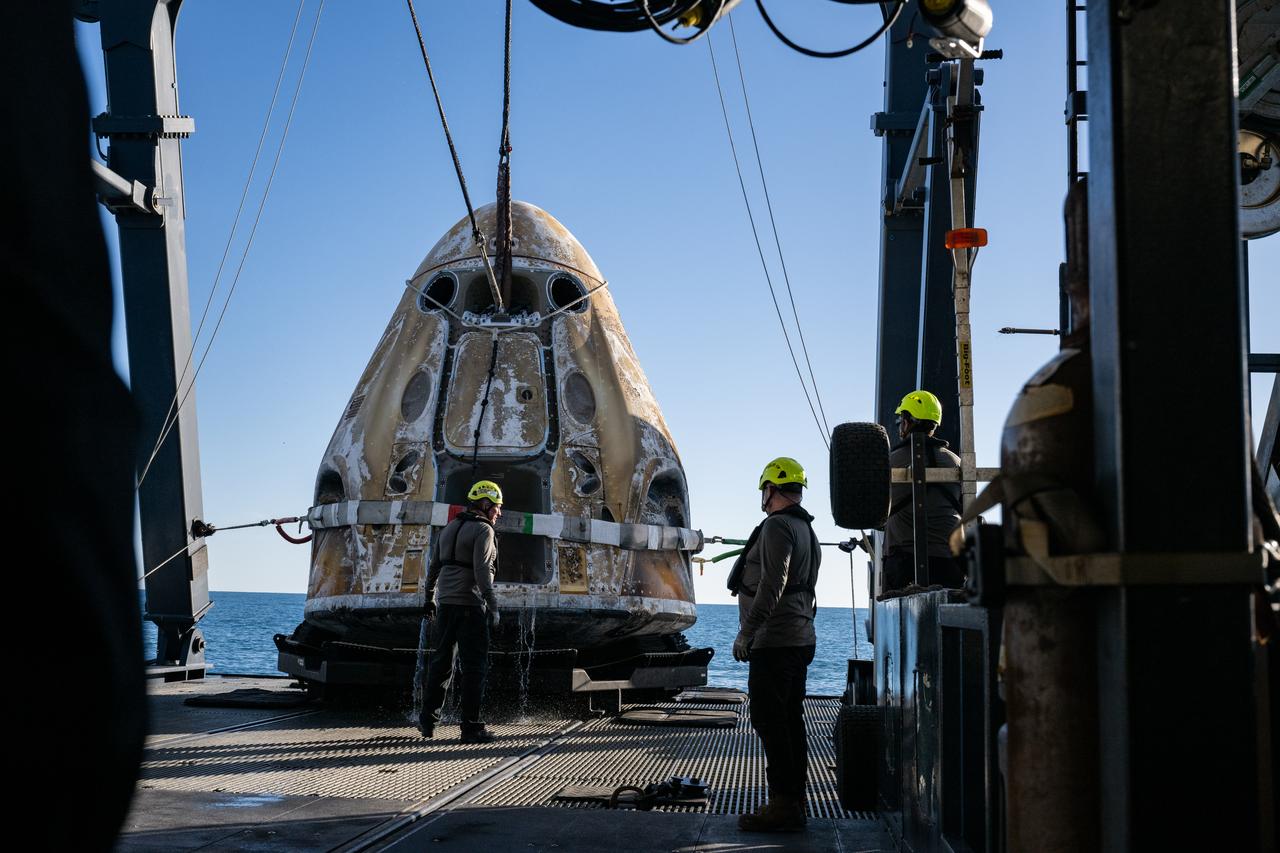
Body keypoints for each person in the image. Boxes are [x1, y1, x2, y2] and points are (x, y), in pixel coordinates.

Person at [728, 457, 822, 832]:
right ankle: (795, 800)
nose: (764, 499)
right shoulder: (807, 530)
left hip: (775, 641)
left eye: (765, 491)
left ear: (771, 489)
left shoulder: (778, 527)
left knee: (769, 721)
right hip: (798, 637)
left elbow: (773, 585)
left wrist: (746, 633)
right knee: (790, 720)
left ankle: (783, 804)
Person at [418, 480, 504, 743]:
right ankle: (471, 728)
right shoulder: (483, 530)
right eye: (498, 507)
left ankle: (428, 723)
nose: (499, 513)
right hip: (470, 607)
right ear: (486, 504)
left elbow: (433, 567)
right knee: (474, 668)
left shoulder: (449, 528)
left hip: (445, 607)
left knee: (440, 665)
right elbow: (481, 572)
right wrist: (493, 605)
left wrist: (429, 599)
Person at [882, 390, 964, 593]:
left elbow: (874, 508)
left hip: (905, 564)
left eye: (902, 418)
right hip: (951, 563)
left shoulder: (891, 461)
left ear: (908, 421)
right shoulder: (955, 461)